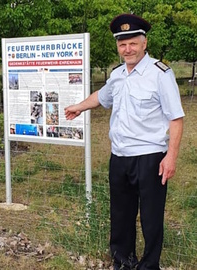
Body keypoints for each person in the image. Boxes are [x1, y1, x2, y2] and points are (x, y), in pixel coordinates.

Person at [64, 14, 184, 270]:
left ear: (144, 43)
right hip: (119, 156)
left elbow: (176, 119)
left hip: (150, 157)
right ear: (118, 47)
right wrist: (79, 107)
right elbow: (101, 96)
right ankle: (122, 261)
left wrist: (171, 156)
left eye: (132, 43)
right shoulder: (117, 74)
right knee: (121, 214)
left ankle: (149, 265)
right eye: (122, 44)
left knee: (151, 218)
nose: (127, 49)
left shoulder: (160, 74)